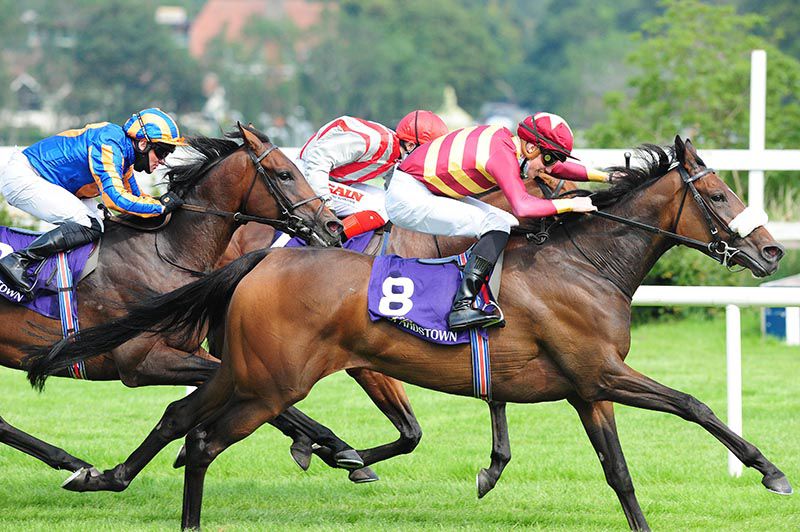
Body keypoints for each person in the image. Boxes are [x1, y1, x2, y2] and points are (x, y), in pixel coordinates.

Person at [385, 112, 609, 330]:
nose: (549, 169)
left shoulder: (508, 144)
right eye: (549, 158)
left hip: (423, 188)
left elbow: (556, 168)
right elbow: (523, 206)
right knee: (496, 225)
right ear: (531, 148)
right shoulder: (501, 155)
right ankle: (461, 306)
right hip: (409, 197)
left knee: (504, 221)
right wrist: (570, 204)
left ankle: (476, 291)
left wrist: (606, 176)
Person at [0, 108, 187, 292]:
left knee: (105, 224)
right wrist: (160, 207)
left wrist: (167, 203)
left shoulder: (124, 156)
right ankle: (19, 261)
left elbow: (136, 198)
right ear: (143, 144)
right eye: (162, 152)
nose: (163, 160)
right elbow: (117, 200)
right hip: (25, 177)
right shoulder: (109, 145)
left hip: (44, 180)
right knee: (90, 225)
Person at [292, 110, 448, 244]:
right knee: (383, 206)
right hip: (305, 175)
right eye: (426, 152)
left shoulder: (396, 154)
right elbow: (318, 158)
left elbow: (396, 191)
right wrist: (326, 204)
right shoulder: (374, 141)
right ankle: (328, 238)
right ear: (410, 145)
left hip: (329, 178)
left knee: (390, 202)